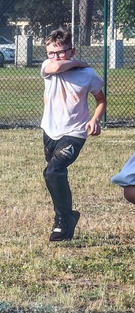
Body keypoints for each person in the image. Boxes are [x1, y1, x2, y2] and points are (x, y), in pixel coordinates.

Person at [39, 26, 106, 242]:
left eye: (61, 51)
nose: (55, 57)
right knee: (53, 174)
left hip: (75, 132)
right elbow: (57, 66)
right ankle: (68, 216)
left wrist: (94, 119)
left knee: (54, 171)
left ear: (72, 50)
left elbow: (101, 100)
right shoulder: (47, 67)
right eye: (51, 52)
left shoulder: (87, 75)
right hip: (50, 130)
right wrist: (78, 62)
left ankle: (62, 220)